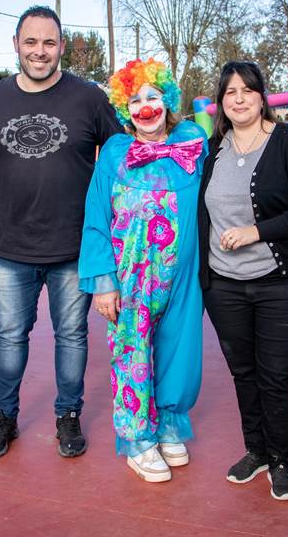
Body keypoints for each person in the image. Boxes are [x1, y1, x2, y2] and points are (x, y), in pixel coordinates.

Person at [0, 5, 119, 460]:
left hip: (74, 248)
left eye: (49, 42)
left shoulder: (88, 97)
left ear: (62, 46)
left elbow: (118, 154)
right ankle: (3, 417)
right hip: (11, 248)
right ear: (16, 45)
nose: (39, 51)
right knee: (10, 335)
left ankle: (67, 415)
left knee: (71, 336)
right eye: (30, 42)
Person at [199, 61, 288, 500]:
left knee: (276, 376)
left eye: (247, 90)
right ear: (221, 101)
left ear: (261, 95)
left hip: (282, 282)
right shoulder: (211, 150)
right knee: (243, 372)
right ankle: (256, 450)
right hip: (225, 285)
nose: (239, 98)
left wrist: (256, 231)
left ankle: (280, 459)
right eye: (230, 91)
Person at [78, 58, 205, 483]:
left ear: (168, 102)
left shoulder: (193, 145)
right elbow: (96, 217)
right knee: (130, 353)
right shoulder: (115, 153)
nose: (145, 107)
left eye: (153, 97)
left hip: (182, 274)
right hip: (130, 278)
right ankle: (137, 439)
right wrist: (103, 283)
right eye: (135, 99)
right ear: (123, 107)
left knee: (179, 350)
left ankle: (169, 422)